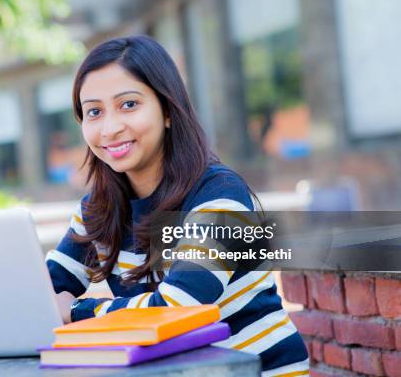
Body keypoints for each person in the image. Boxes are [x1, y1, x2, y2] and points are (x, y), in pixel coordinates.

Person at [46, 35, 309, 375]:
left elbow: (178, 307)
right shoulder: (97, 209)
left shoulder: (220, 194)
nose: (110, 128)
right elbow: (44, 294)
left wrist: (77, 310)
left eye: (128, 105)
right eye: (94, 111)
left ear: (168, 110)